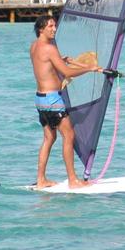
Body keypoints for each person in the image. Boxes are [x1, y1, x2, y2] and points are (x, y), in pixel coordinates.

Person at [31, 15, 102, 189]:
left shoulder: (34, 47)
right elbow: (67, 73)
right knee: (69, 136)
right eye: (50, 26)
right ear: (41, 29)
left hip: (40, 99)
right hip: (53, 100)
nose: (54, 29)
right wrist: (89, 68)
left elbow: (44, 66)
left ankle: (41, 180)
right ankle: (73, 180)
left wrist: (61, 60)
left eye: (54, 25)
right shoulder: (49, 48)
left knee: (49, 138)